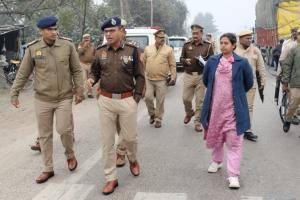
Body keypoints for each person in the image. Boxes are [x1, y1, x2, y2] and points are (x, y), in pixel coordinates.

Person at [10, 16, 84, 183]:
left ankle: (70, 155)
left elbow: (77, 70)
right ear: (41, 31)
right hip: (42, 99)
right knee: (45, 135)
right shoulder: (33, 49)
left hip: (64, 97)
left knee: (64, 130)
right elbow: (23, 73)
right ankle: (48, 168)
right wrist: (14, 93)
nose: (54, 32)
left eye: (55, 29)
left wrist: (80, 91)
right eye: (50, 29)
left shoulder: (67, 45)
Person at [86, 16, 145, 195]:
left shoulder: (132, 51)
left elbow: (140, 77)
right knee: (107, 142)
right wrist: (91, 79)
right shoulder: (100, 52)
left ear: (121, 31)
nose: (109, 34)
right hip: (106, 101)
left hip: (127, 100)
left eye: (112, 31)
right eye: (106, 32)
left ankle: (133, 159)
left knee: (130, 138)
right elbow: (95, 71)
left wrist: (135, 100)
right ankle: (111, 178)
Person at [200, 33, 253, 189]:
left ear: (233, 45)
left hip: (234, 110)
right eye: (221, 43)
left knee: (234, 142)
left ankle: (233, 175)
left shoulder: (242, 63)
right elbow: (206, 80)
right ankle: (217, 161)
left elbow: (248, 83)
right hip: (215, 108)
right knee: (216, 136)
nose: (223, 46)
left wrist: (236, 94)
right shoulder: (212, 61)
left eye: (226, 43)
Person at [180, 24, 214, 132]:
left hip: (201, 76)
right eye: (193, 33)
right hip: (189, 75)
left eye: (197, 33)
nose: (195, 35)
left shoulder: (208, 46)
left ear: (201, 33)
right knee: (185, 98)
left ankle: (197, 122)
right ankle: (189, 113)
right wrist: (185, 61)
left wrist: (206, 64)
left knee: (200, 101)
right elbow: (181, 58)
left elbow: (212, 61)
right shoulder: (186, 45)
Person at [235, 30, 266, 142]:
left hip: (250, 84)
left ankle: (247, 130)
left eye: (250, 38)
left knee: (249, 107)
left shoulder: (255, 51)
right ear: (240, 39)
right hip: (235, 84)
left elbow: (261, 67)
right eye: (247, 38)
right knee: (235, 106)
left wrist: (263, 82)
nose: (250, 40)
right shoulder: (233, 49)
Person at [143, 29, 176, 128]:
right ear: (155, 38)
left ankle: (158, 119)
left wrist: (173, 77)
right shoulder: (148, 49)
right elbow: (144, 62)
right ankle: (152, 114)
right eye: (160, 38)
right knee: (148, 98)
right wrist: (146, 72)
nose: (162, 39)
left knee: (160, 100)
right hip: (149, 78)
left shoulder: (168, 50)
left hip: (162, 79)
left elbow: (172, 65)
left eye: (163, 37)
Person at [281, 29, 300, 132]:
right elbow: (287, 66)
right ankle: (288, 120)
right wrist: (285, 82)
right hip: (296, 83)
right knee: (293, 105)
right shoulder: (293, 50)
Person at [78, 33, 96, 98]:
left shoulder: (93, 45)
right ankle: (83, 93)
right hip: (82, 64)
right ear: (83, 39)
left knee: (90, 79)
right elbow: (80, 53)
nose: (86, 39)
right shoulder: (80, 45)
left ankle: (90, 93)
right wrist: (85, 46)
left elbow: (95, 53)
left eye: (88, 38)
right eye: (85, 38)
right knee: (83, 79)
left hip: (91, 64)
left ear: (90, 38)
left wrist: (94, 59)